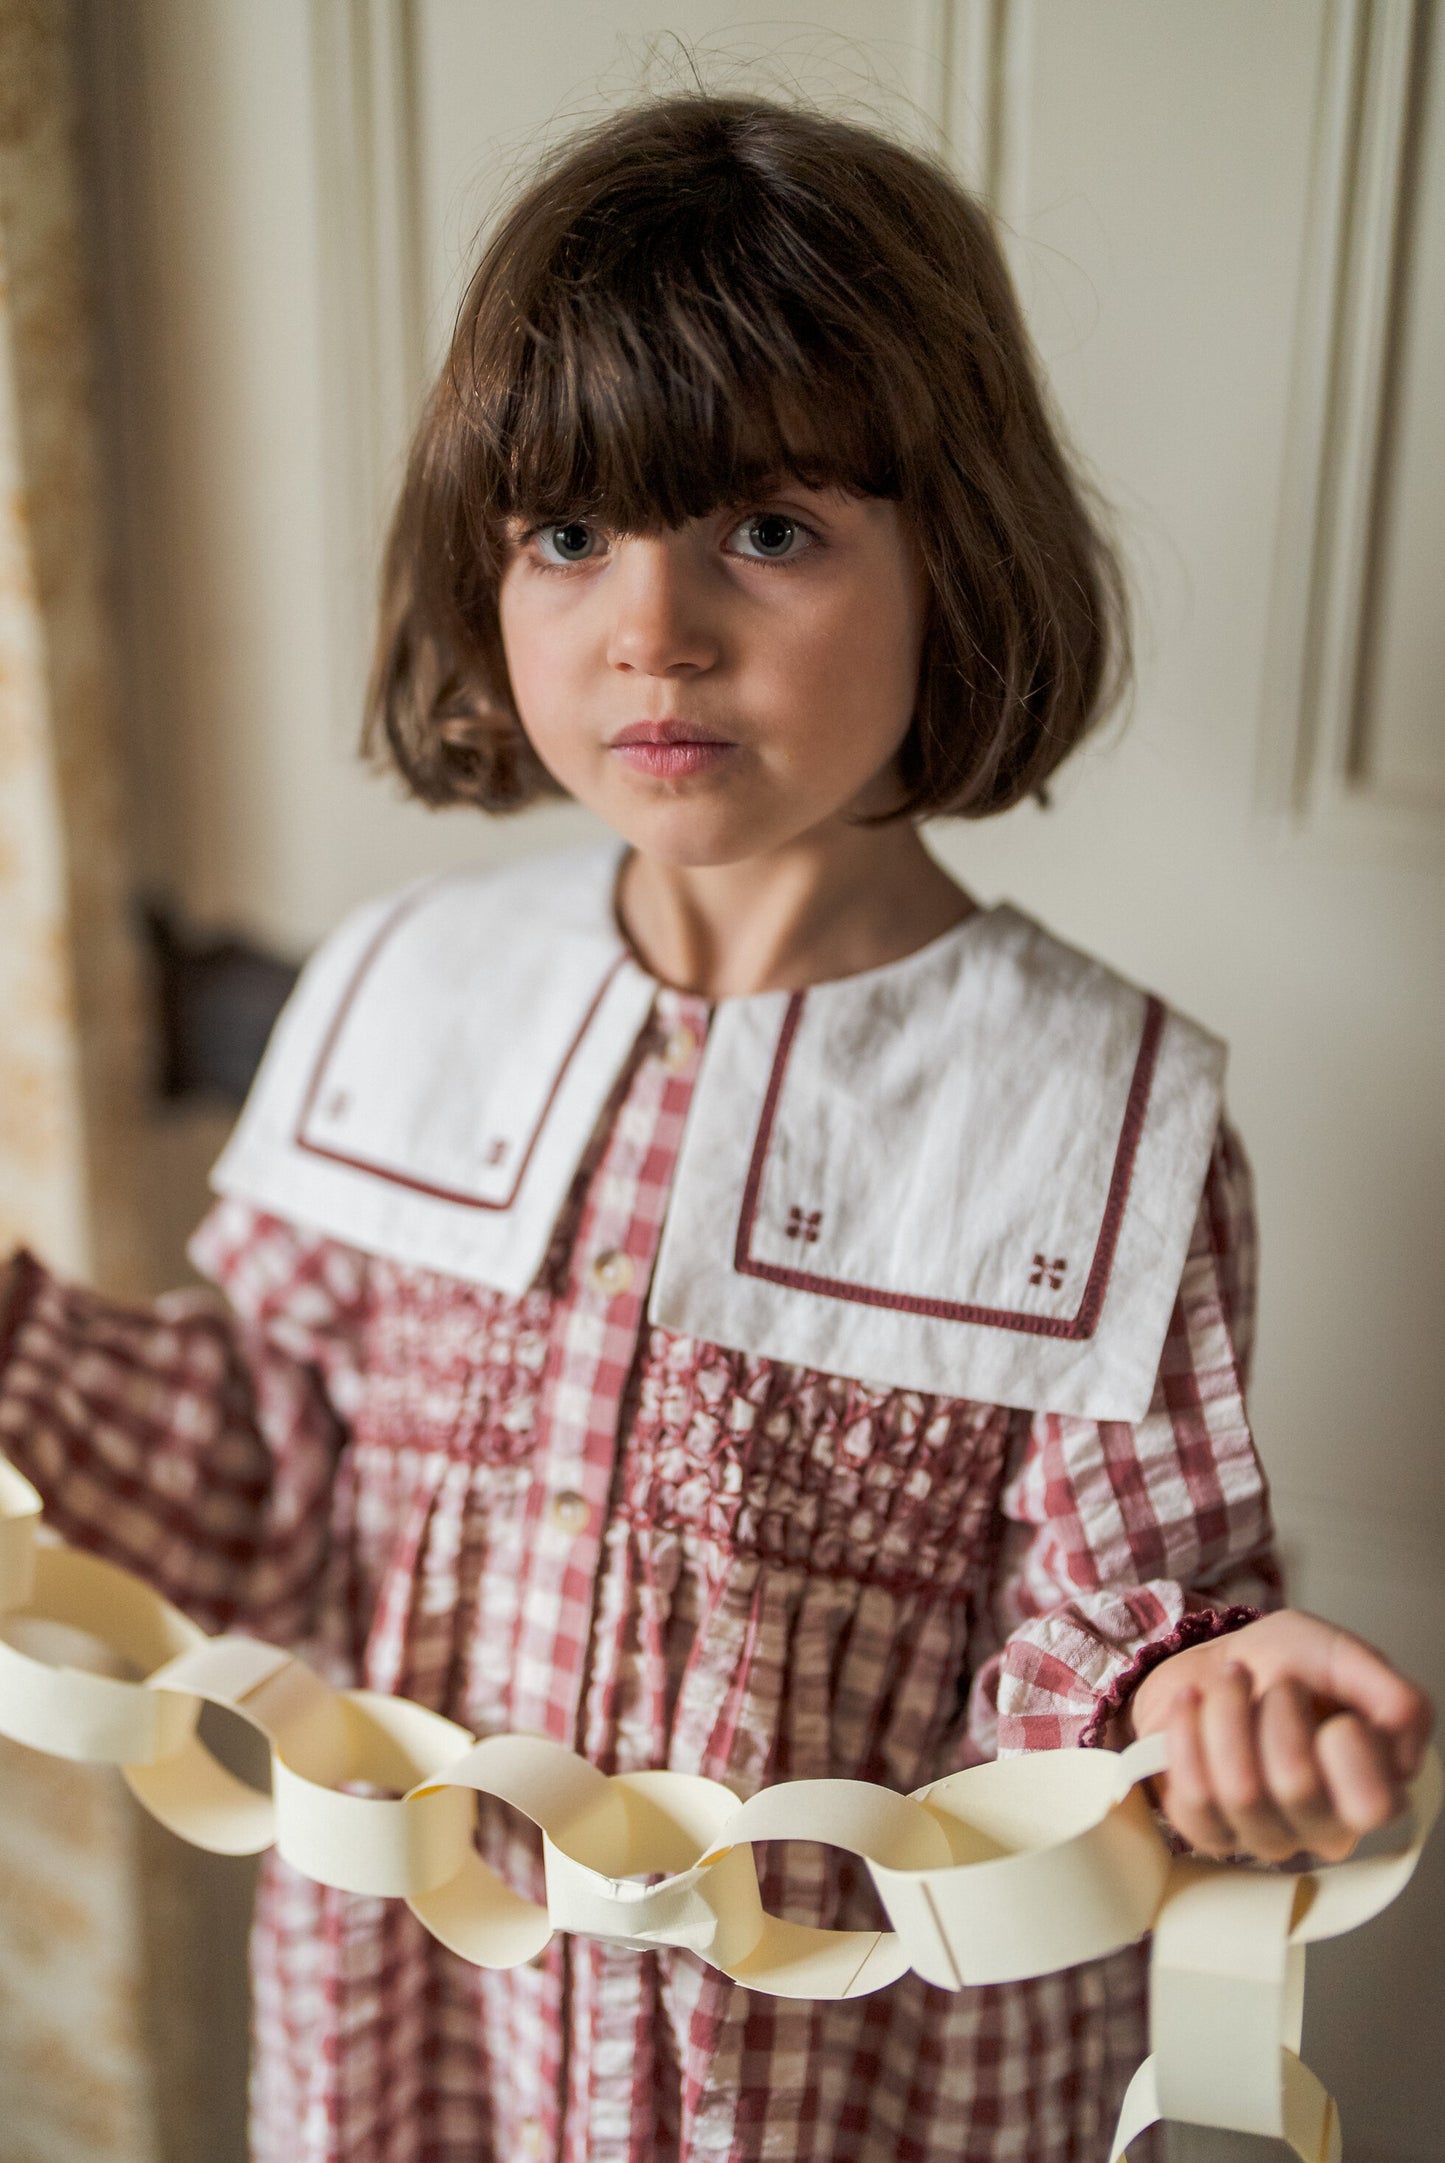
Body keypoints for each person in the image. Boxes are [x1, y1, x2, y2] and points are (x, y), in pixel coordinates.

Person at [0, 92, 1431, 2163]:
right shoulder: (408, 994)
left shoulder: (1093, 1115)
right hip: (436, 2062)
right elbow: (264, 1477)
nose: (649, 628)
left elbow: (1113, 1629)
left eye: (767, 527)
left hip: (844, 2095)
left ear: (958, 549)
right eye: (569, 534)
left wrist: (1212, 1707)